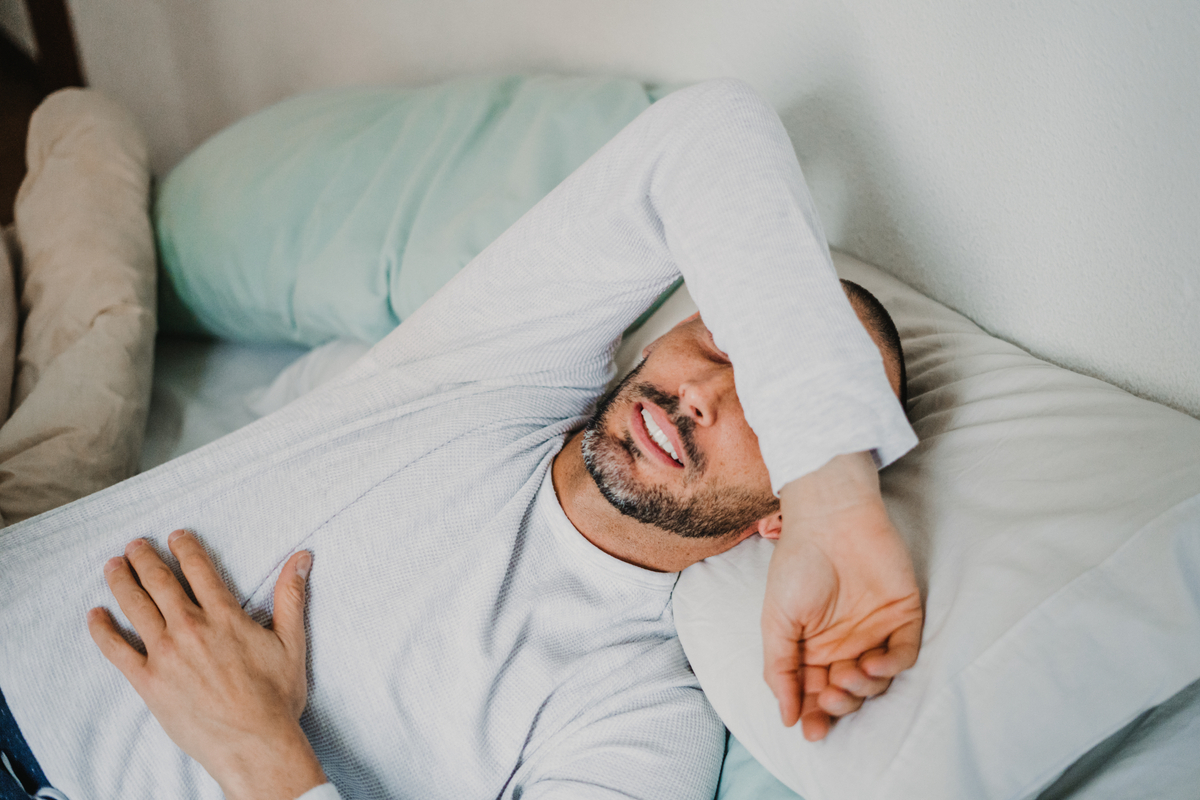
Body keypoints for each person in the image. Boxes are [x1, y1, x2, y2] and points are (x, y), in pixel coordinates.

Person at [0, 79, 920, 800]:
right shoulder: (497, 373)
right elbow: (712, 132)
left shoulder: (639, 714)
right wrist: (836, 498)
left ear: (775, 521)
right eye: (725, 341)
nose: (704, 393)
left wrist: (269, 765)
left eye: (772, 406)